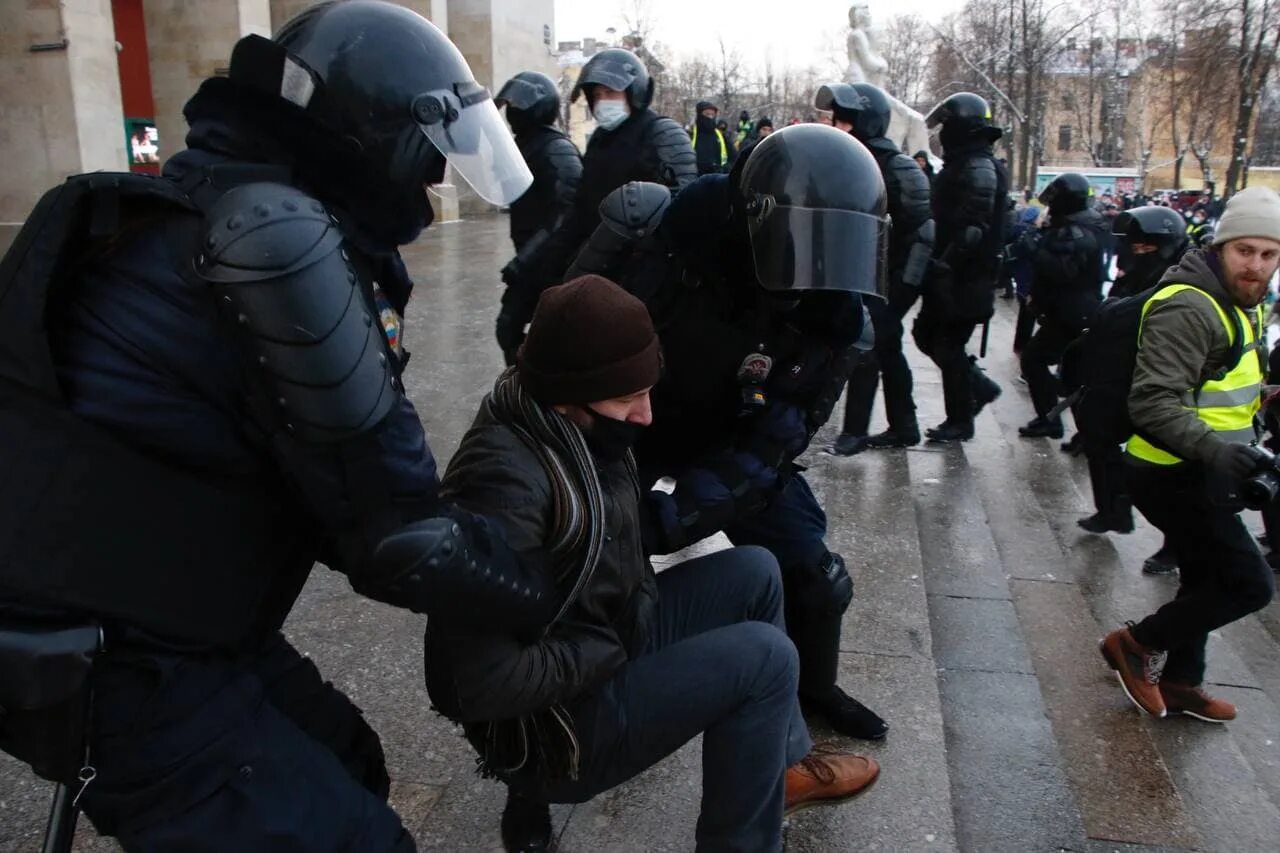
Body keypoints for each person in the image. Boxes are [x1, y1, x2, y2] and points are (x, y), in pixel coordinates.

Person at [0, 3, 542, 849]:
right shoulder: (276, 240)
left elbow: (325, 485)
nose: (434, 181)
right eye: (429, 154)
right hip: (118, 657)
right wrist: (544, 584)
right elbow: (398, 537)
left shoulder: (210, 204)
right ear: (374, 137)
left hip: (166, 613)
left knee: (351, 758)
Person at [429, 275, 879, 853]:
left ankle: (779, 769)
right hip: (556, 729)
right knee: (764, 659)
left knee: (755, 570)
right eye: (626, 399)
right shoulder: (502, 487)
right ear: (570, 393)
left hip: (598, 639)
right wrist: (605, 648)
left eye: (648, 391)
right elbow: (475, 683)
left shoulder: (573, 426)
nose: (645, 416)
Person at [565, 125, 891, 747]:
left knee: (816, 576)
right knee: (579, 570)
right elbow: (572, 334)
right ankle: (550, 741)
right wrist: (613, 509)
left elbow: (776, 442)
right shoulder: (663, 238)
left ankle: (814, 689)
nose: (815, 270)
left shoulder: (836, 319)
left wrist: (672, 520)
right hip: (624, 424)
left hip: (733, 437)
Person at [1100, 187, 1280, 723]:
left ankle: (1181, 682)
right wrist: (1216, 451)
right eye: (1245, 251)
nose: (1256, 266)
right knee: (1248, 584)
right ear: (1221, 247)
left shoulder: (1241, 301)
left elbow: (1224, 385)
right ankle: (1135, 644)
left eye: (1269, 255)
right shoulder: (1190, 305)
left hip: (1204, 466)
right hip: (1169, 470)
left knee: (1204, 575)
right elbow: (1153, 402)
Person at [495, 47, 695, 359]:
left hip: (644, 277)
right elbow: (579, 213)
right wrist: (538, 267)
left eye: (611, 91)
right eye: (597, 93)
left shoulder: (662, 133)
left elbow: (681, 208)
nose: (603, 100)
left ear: (635, 91)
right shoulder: (601, 140)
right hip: (596, 265)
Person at [819, 84, 933, 455]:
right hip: (857, 273)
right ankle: (905, 425)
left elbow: (922, 230)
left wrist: (902, 288)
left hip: (886, 280)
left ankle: (854, 432)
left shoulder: (897, 166)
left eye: (845, 119)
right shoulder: (842, 159)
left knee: (867, 349)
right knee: (888, 350)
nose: (838, 126)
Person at [1073, 205, 1189, 546]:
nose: (1136, 252)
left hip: (1158, 378)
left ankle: (1176, 545)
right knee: (1097, 436)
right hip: (1118, 369)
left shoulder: (1178, 276)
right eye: (1134, 245)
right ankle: (1113, 510)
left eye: (1144, 246)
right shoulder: (1139, 269)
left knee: (1171, 469)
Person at [914, 92, 1008, 442]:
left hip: (964, 278)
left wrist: (944, 264)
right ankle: (978, 388)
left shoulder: (979, 167)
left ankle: (961, 419)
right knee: (927, 336)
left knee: (946, 345)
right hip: (953, 276)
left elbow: (973, 227)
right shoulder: (966, 161)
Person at [495, 71, 583, 365]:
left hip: (552, 265)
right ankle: (527, 384)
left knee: (555, 334)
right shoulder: (527, 144)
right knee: (508, 326)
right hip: (532, 262)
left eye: (519, 106)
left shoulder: (556, 149)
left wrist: (525, 260)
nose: (513, 113)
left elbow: (566, 212)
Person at [1015, 172, 1107, 440]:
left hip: (1072, 313)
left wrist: (1035, 249)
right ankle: (1077, 429)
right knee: (1070, 372)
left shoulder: (1076, 232)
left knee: (1041, 362)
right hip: (1069, 311)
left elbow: (1062, 272)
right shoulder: (1079, 224)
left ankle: (1059, 423)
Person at [692, 100, 731, 175]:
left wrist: (725, 169)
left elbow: (733, 158)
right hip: (695, 178)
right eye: (707, 114)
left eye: (712, 115)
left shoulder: (720, 136)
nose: (710, 117)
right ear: (700, 115)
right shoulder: (690, 134)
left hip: (717, 178)